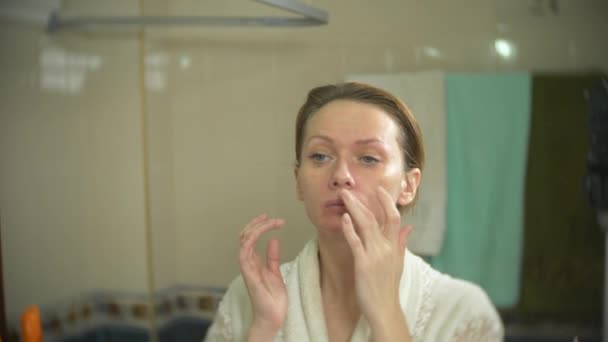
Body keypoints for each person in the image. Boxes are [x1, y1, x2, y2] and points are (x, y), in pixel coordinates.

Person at [204, 82, 503, 341]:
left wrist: (385, 312)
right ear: (298, 182)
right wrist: (264, 329)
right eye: (320, 156)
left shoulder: (463, 311)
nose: (341, 175)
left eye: (369, 158)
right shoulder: (247, 298)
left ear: (408, 185)